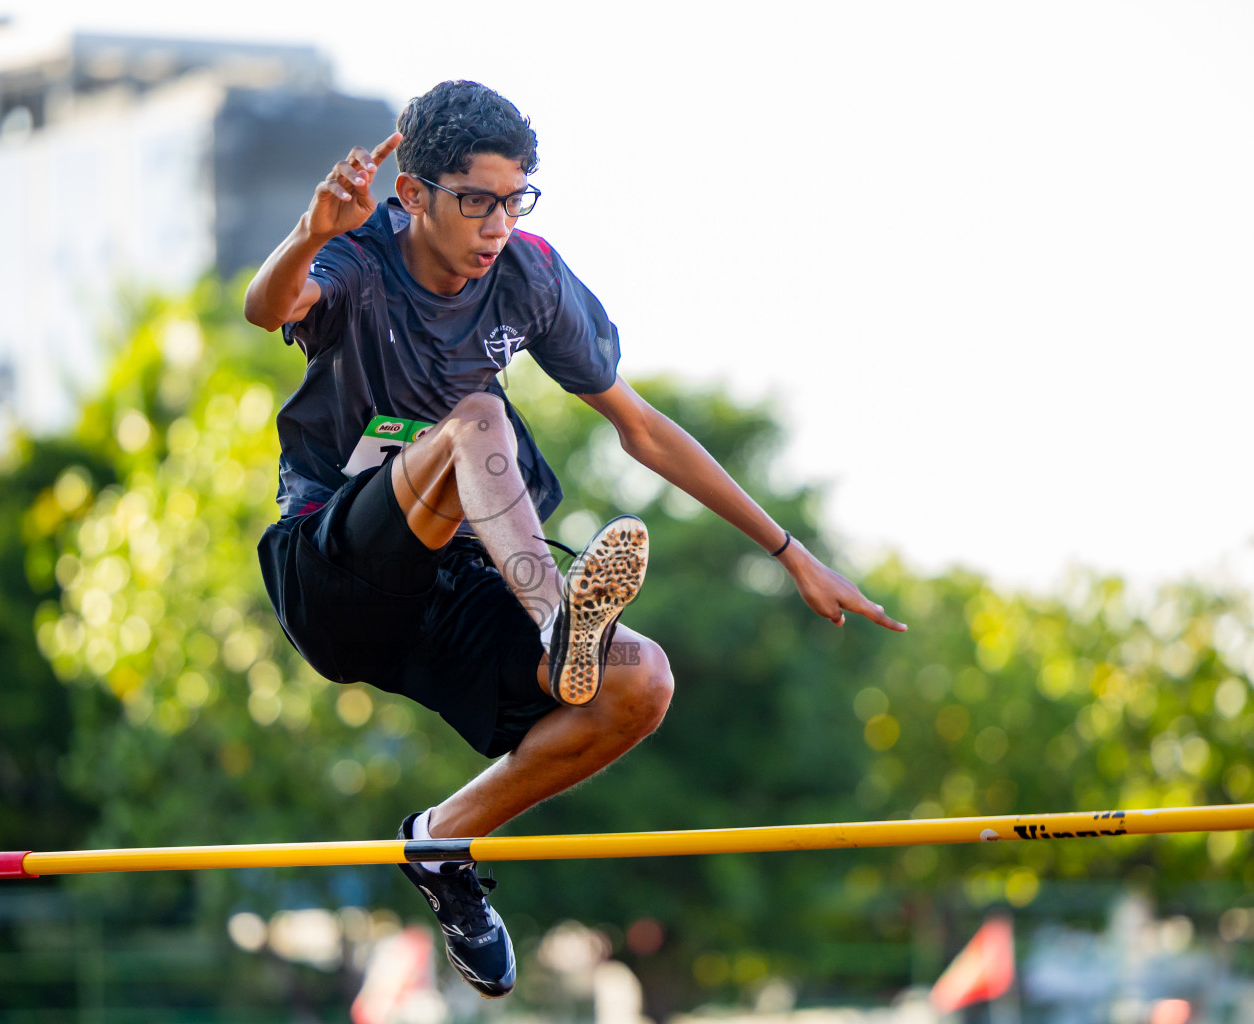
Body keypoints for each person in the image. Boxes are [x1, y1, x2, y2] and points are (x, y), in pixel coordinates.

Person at [245, 80, 906, 998]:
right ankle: (560, 626)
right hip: (335, 569)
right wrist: (314, 230)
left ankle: (442, 845)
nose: (495, 226)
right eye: (475, 200)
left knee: (641, 681)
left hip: (454, 589)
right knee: (479, 419)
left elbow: (641, 428)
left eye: (514, 200)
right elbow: (266, 305)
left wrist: (789, 551)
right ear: (413, 195)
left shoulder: (530, 273)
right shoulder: (359, 257)